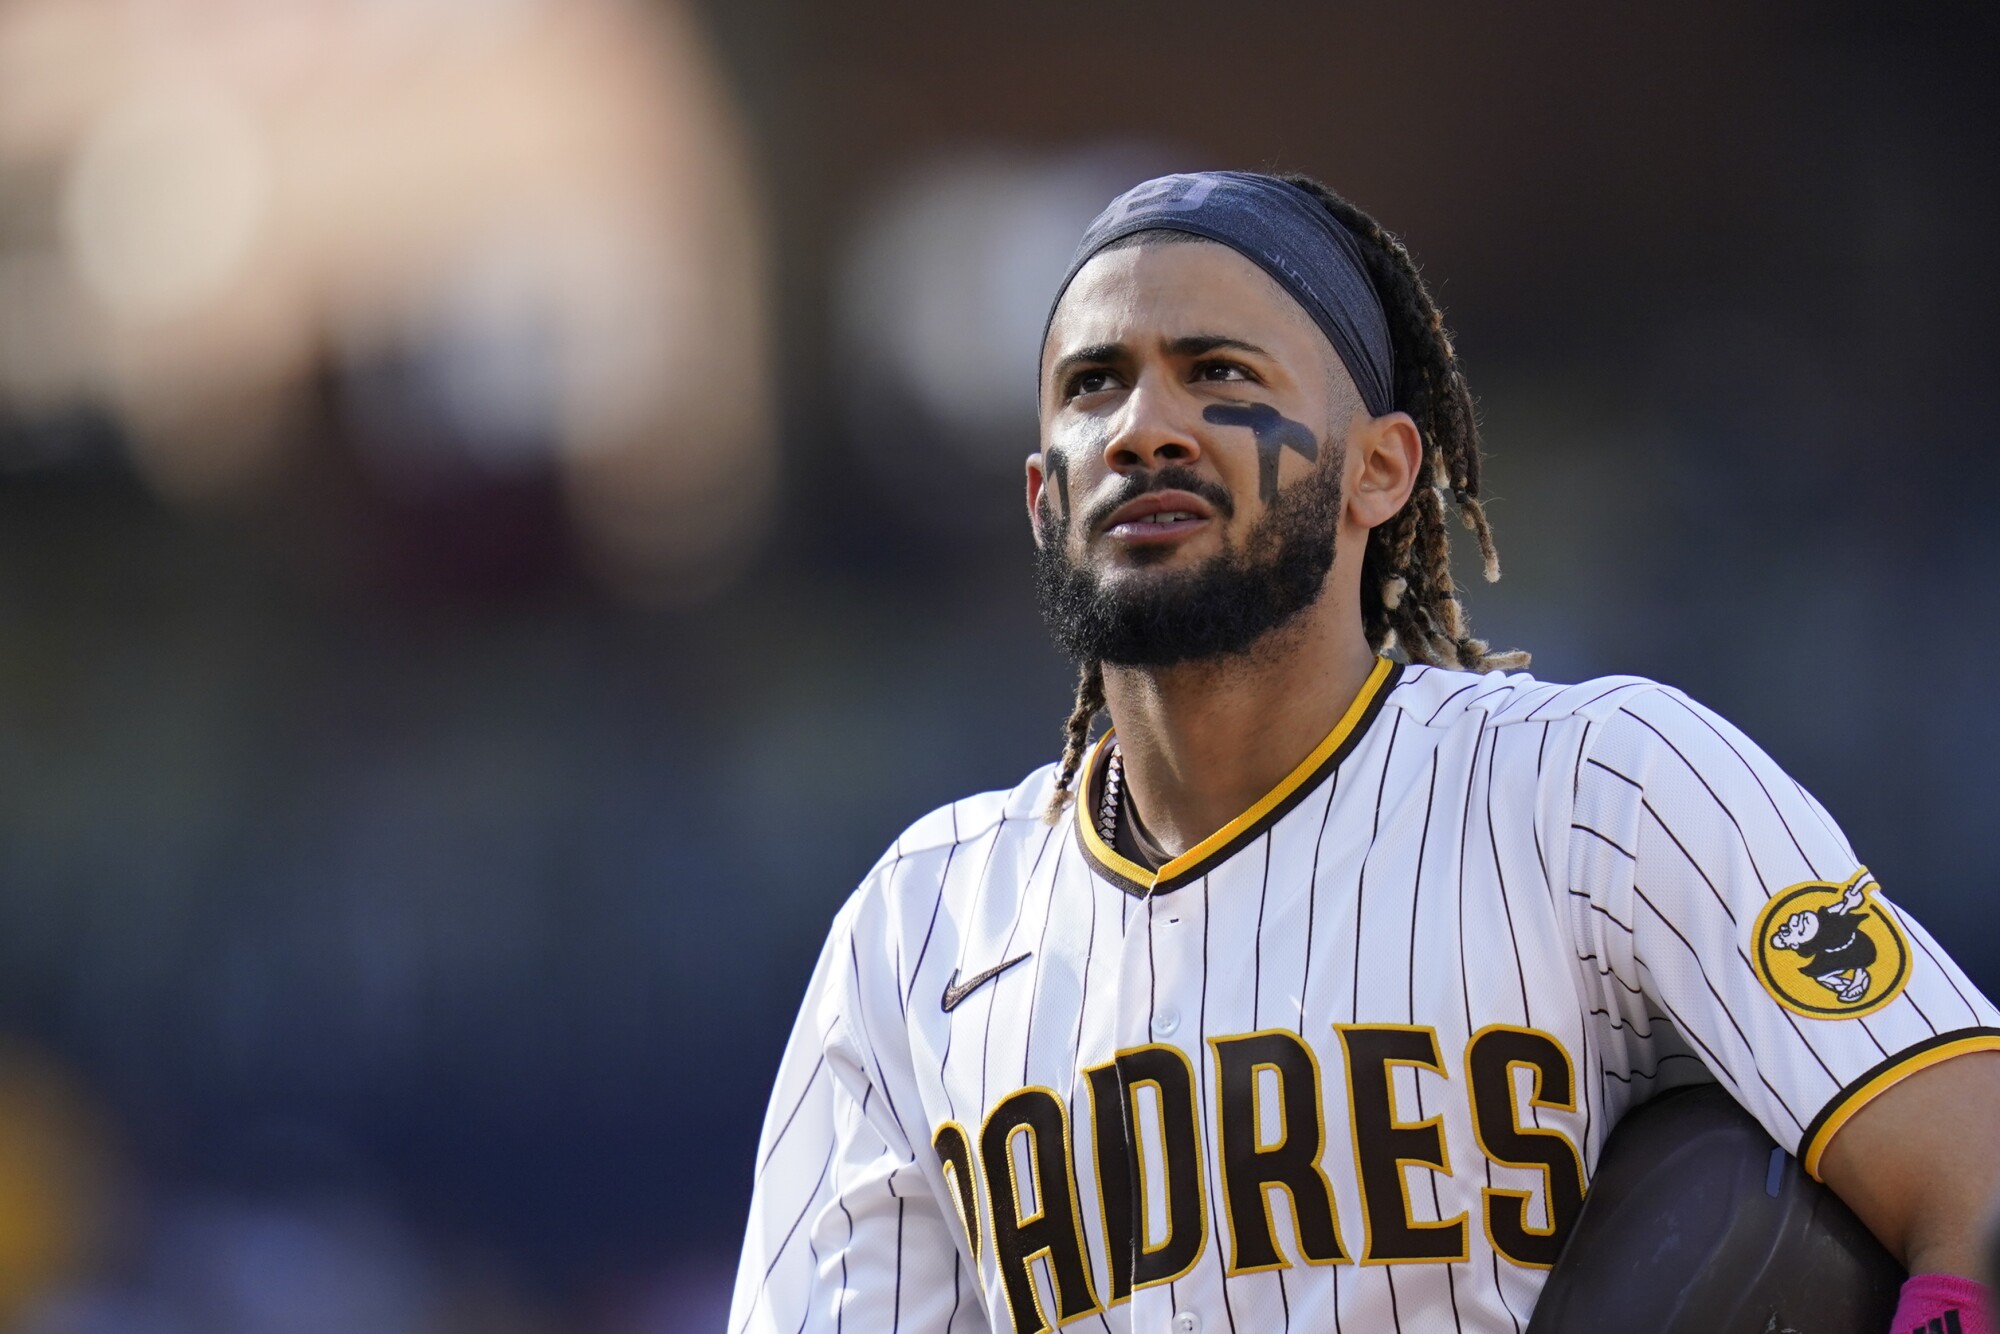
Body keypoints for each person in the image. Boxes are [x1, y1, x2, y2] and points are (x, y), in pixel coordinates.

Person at [728, 171, 2000, 1334]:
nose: (1142, 427)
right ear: (1042, 493)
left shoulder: (1595, 788)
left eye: (1219, 374)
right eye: (1093, 384)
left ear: (1382, 470)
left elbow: (1976, 1176)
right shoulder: (914, 932)